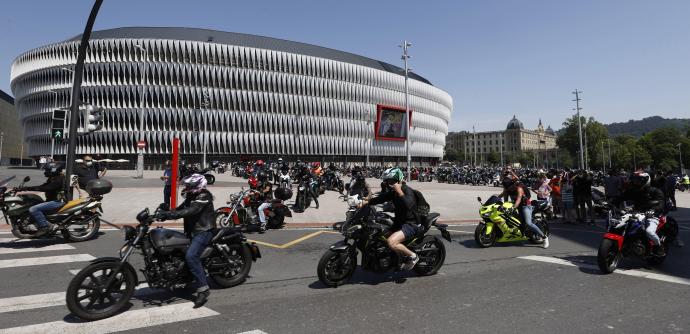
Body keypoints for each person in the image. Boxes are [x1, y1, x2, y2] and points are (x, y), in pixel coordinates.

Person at [157, 174, 216, 308]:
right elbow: (181, 208)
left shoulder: (204, 195)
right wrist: (164, 213)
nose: (187, 188)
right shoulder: (191, 196)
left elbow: (191, 210)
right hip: (192, 231)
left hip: (204, 231)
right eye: (187, 185)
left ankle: (203, 289)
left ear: (198, 185)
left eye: (190, 186)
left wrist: (171, 215)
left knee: (191, 256)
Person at [359, 168, 420, 270]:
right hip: (399, 223)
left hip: (410, 224)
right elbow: (381, 198)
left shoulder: (407, 190)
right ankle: (393, 258)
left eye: (392, 181)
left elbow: (409, 205)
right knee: (379, 234)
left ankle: (413, 256)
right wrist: (366, 202)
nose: (389, 184)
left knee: (391, 242)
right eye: (388, 182)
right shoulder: (393, 192)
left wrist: (400, 192)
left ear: (399, 180)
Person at [618, 172, 666, 256]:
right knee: (620, 225)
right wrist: (608, 202)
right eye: (636, 181)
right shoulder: (634, 191)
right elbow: (621, 197)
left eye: (639, 181)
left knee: (649, 231)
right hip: (636, 214)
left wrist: (653, 210)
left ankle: (659, 247)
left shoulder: (655, 191)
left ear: (646, 181)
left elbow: (661, 203)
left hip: (652, 216)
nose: (636, 183)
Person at [498, 175, 549, 248]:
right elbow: (501, 195)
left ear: (510, 184)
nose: (505, 187)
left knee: (528, 223)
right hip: (516, 205)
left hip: (525, 206)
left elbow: (518, 199)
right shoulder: (508, 188)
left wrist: (513, 208)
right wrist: (494, 199)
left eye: (506, 185)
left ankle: (544, 237)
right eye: (504, 185)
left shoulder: (519, 188)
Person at [23, 162, 65, 236]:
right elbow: (43, 186)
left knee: (34, 209)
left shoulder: (60, 179)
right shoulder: (53, 178)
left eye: (47, 170)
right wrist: (25, 188)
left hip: (58, 201)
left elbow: (47, 188)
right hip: (52, 200)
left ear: (53, 170)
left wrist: (28, 188)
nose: (45, 172)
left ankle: (44, 227)